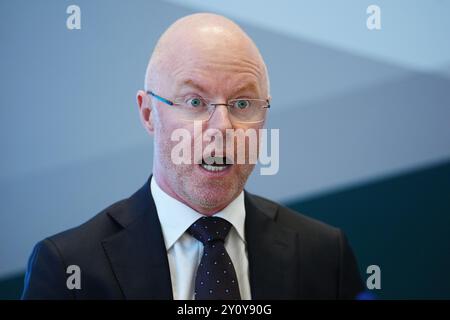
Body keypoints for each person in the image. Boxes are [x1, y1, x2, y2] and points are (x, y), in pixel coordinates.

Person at [22, 13, 364, 300]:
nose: (222, 127)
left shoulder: (324, 254)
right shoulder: (68, 266)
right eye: (195, 102)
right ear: (147, 113)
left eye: (242, 104)